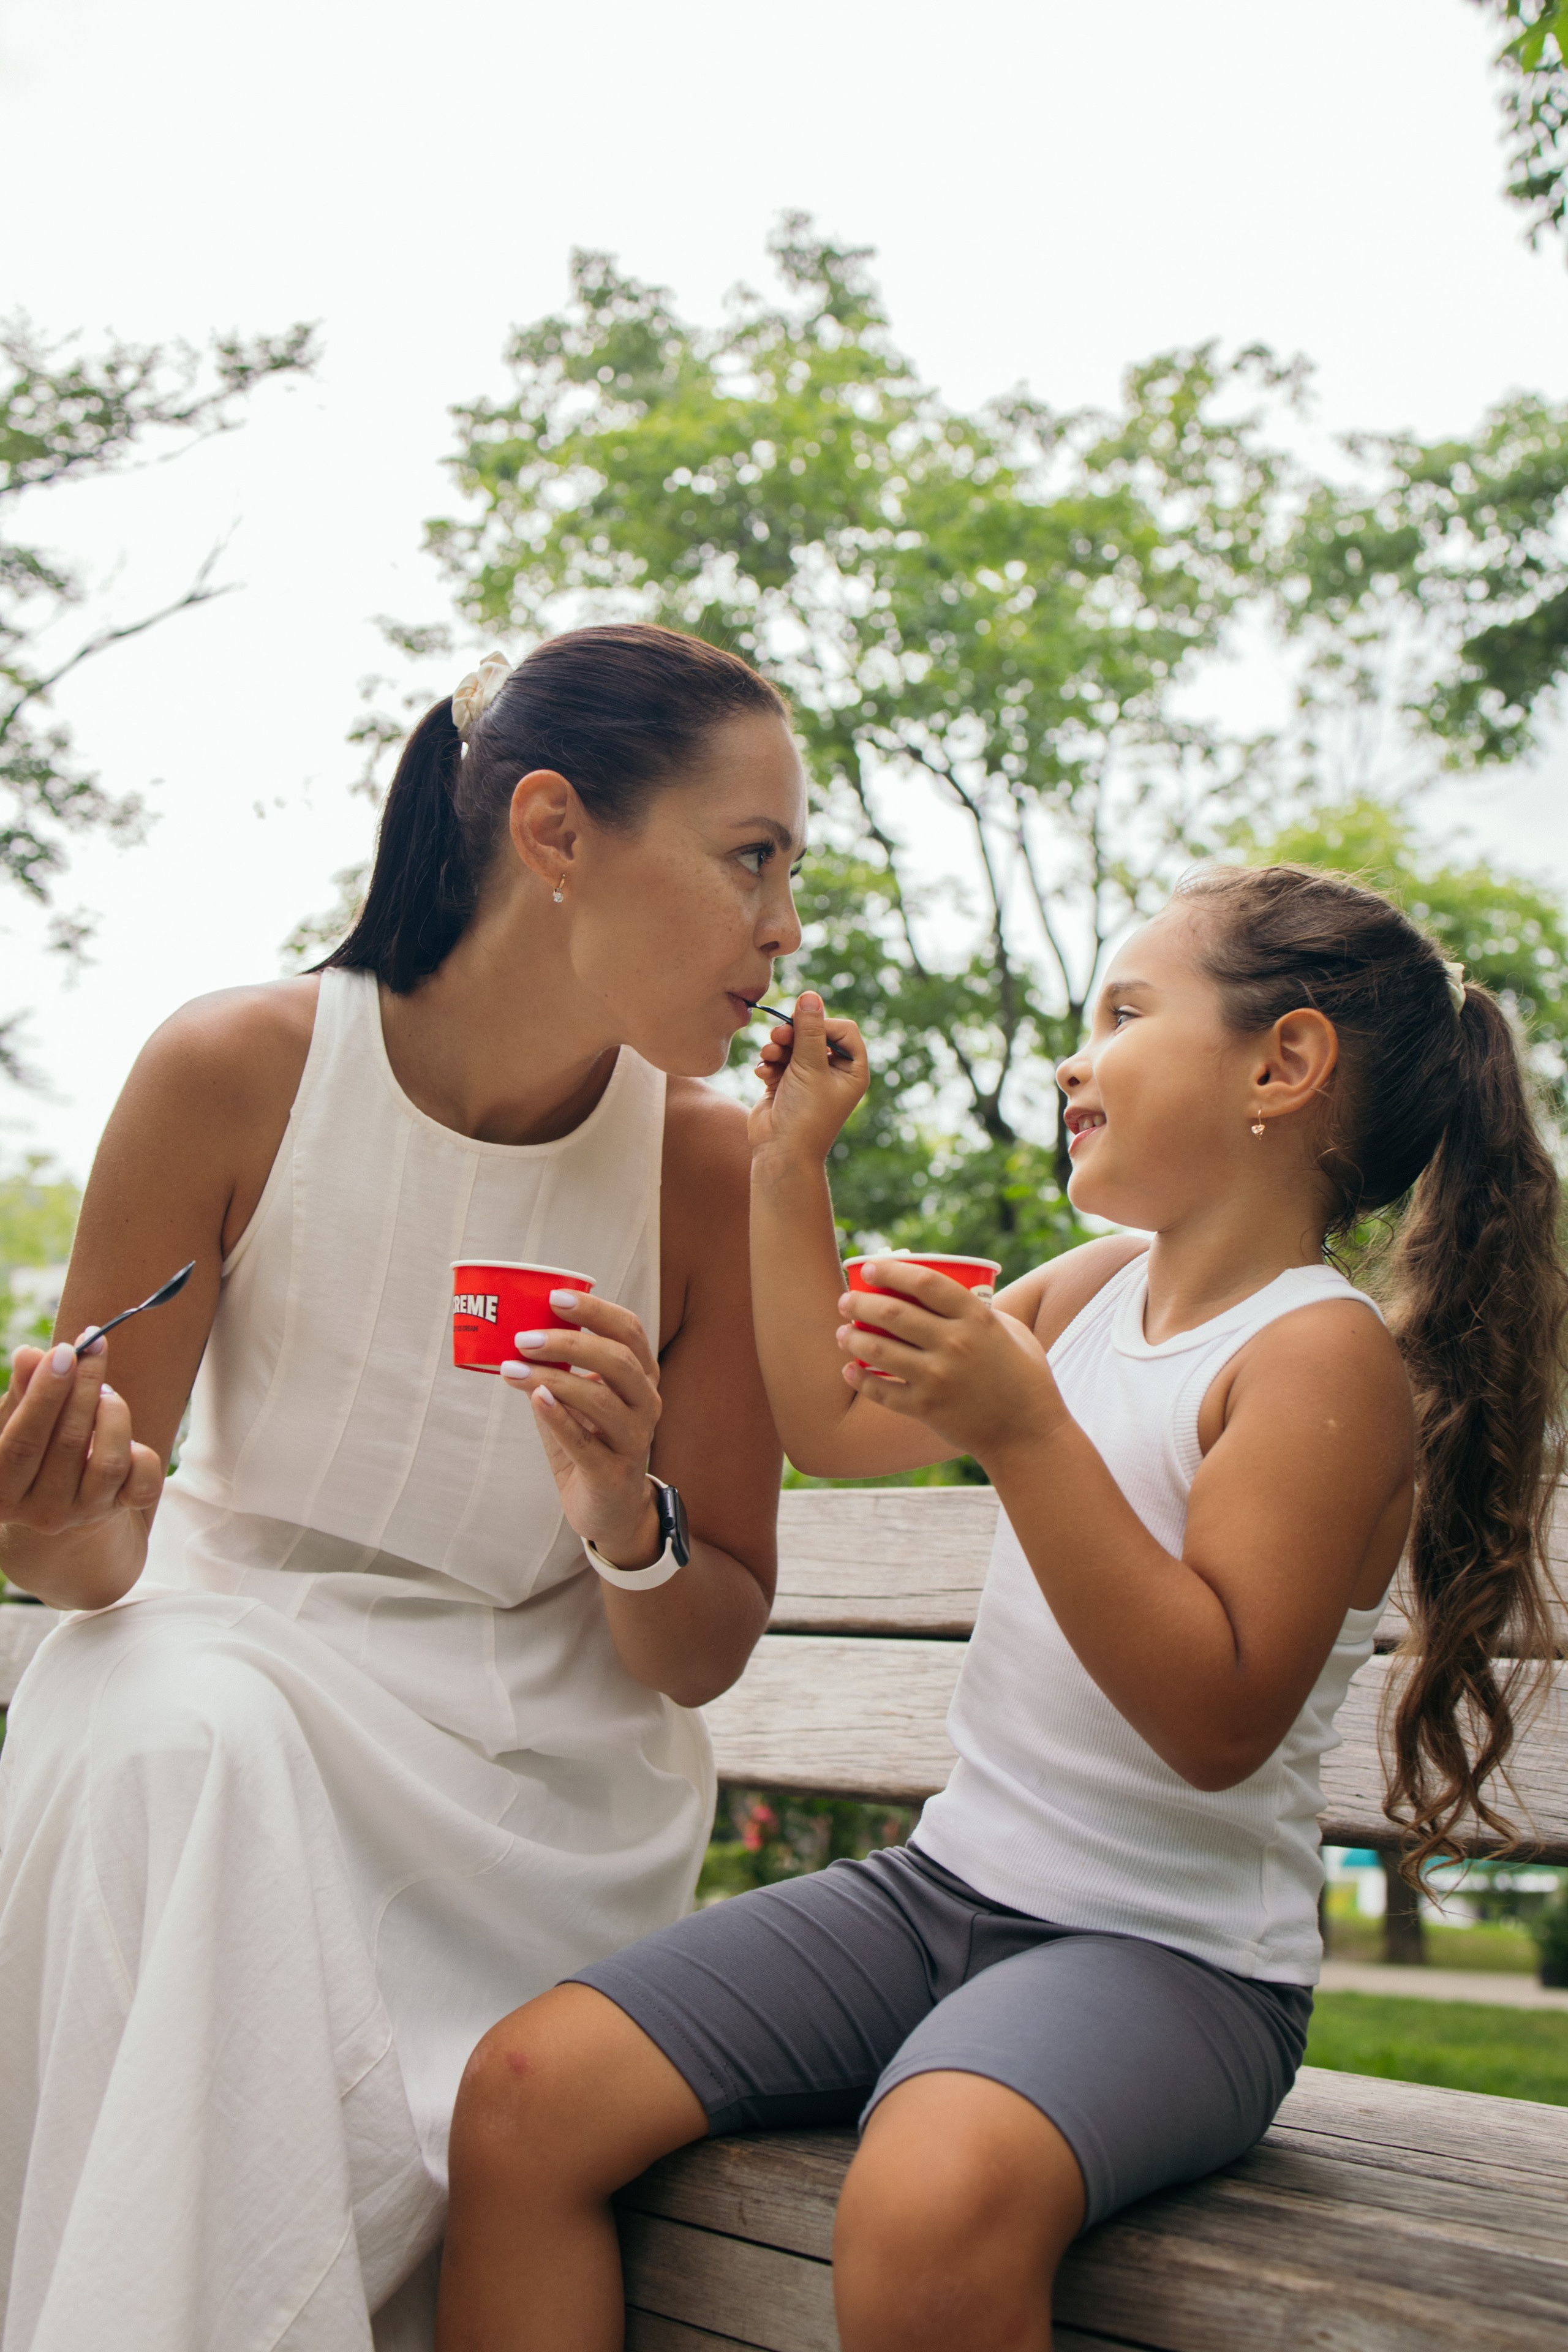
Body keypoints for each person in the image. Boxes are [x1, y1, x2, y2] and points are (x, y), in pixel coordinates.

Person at [434, 864, 1567, 2352]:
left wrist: (1025, 1433)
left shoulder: (1315, 1356)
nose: (1070, 1058)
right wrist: (786, 1165)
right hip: (943, 1894)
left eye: (1121, 1013)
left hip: (1174, 1963)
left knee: (924, 2199)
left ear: (1281, 1066)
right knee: (522, 2097)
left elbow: (1214, 1722)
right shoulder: (1098, 1286)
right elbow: (833, 1428)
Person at [0, 624, 802, 2352]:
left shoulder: (709, 1162)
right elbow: (97, 1558)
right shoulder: (236, 1070)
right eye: (754, 858)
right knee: (168, 1726)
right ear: (555, 831)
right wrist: (44, 1522)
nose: (785, 929)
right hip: (235, 1683)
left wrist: (622, 1523)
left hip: (540, 1793)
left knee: (179, 1745)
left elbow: (706, 1642)